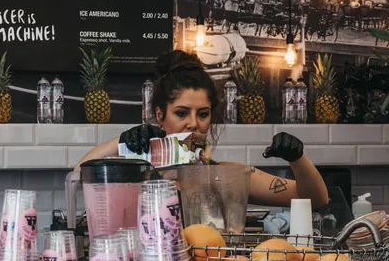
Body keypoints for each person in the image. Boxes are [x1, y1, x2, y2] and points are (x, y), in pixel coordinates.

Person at [75, 50, 329, 209]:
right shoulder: (138, 176)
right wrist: (120, 143)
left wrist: (297, 158)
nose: (194, 123)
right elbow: (76, 179)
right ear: (160, 115)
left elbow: (316, 199)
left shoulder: (225, 176)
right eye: (182, 113)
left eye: (203, 114)